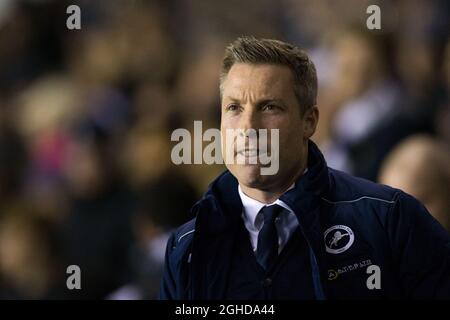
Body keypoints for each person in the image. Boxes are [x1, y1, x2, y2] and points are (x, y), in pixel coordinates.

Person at [159, 36, 450, 299]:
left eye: (269, 107)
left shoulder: (388, 219)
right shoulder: (187, 248)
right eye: (234, 108)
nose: (248, 128)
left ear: (309, 121)